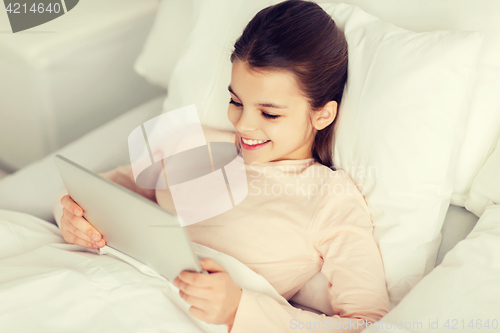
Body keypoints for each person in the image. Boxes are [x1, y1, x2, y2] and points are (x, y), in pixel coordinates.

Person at [53, 1, 390, 332]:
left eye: (269, 113)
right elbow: (100, 191)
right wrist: (69, 216)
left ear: (323, 114)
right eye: (236, 101)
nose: (243, 124)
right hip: (99, 285)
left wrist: (238, 310)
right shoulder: (194, 142)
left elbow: (368, 322)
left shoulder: (329, 198)